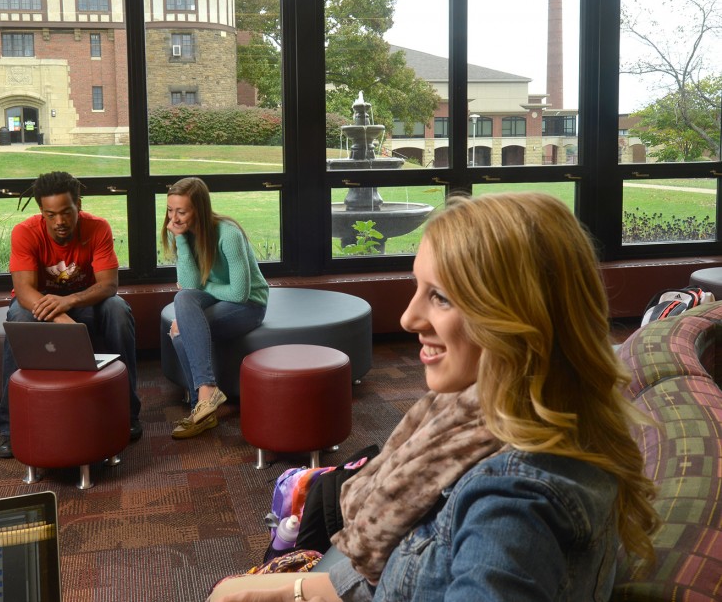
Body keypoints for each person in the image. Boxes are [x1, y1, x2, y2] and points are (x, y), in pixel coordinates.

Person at [210, 192, 659, 602]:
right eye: (417, 289)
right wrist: (293, 590)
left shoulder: (511, 501)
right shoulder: (500, 422)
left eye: (440, 297)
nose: (408, 318)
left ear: (517, 315)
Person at [0, 171, 141, 459]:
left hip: (86, 300)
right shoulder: (25, 232)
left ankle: (127, 413)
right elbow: (24, 292)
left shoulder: (98, 228)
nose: (59, 222)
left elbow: (109, 285)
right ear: (41, 212)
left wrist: (69, 301)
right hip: (37, 303)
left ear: (79, 205)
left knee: (118, 310)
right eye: (50, 215)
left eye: (66, 213)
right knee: (19, 320)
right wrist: (61, 319)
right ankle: (11, 429)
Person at [162, 177, 268, 439]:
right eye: (169, 210)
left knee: (180, 331)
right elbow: (188, 287)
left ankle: (200, 407)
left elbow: (239, 293)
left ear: (199, 209)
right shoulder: (179, 231)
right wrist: (183, 241)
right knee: (183, 302)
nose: (173, 218)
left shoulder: (228, 234)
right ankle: (206, 398)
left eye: (181, 211)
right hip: (218, 298)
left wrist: (203, 285)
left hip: (250, 304)